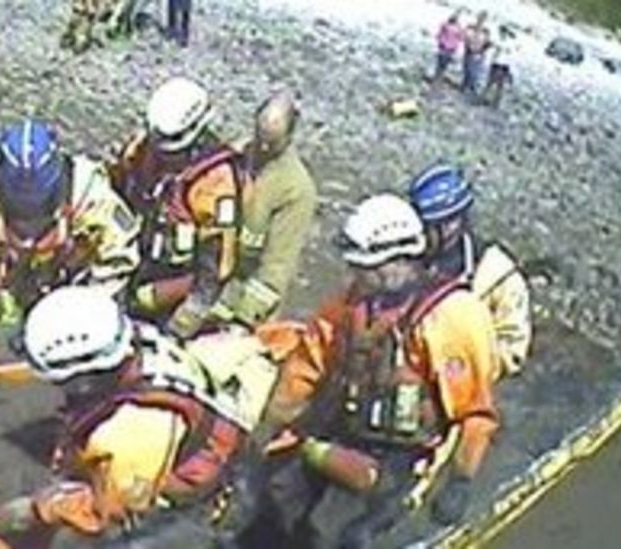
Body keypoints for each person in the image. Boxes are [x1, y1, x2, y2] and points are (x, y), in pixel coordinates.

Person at [246, 194, 499, 548]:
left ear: (399, 259)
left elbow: (475, 413)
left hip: (409, 459)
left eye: (366, 268)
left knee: (353, 538)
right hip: (349, 433)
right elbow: (305, 371)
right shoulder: (349, 308)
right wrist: (267, 432)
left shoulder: (452, 316)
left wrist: (460, 480)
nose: (356, 276)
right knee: (274, 503)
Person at [0, 285, 280, 545]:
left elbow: (108, 514)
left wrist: (44, 507)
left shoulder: (130, 434)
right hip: (208, 445)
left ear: (84, 379)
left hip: (204, 510)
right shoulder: (137, 343)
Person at [0, 119, 140, 360]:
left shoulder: (88, 192)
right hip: (8, 283)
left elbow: (118, 258)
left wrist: (86, 315)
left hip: (72, 284)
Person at [111, 76, 248, 340]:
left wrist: (186, 320)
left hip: (177, 283)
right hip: (133, 261)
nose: (161, 154)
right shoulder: (142, 150)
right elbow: (115, 187)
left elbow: (215, 269)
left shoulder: (216, 186)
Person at [408, 162, 532, 379]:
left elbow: (513, 349)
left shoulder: (497, 273)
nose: (420, 234)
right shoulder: (405, 259)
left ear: (451, 224)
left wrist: (463, 364)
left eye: (426, 227)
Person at [213, 91, 319, 329]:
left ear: (290, 137)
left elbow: (277, 267)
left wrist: (242, 322)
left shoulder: (295, 190)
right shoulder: (234, 156)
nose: (262, 147)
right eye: (259, 137)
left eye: (271, 143)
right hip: (213, 277)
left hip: (244, 295)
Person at [483, 26, 517, 108]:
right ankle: (495, 103)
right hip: (500, 65)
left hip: (500, 65)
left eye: (501, 32)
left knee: (492, 84)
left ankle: (489, 101)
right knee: (498, 86)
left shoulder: (506, 43)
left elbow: (505, 54)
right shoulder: (505, 42)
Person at [462, 12, 492, 100]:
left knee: (474, 72)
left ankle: (471, 89)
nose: (481, 21)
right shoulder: (471, 27)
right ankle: (465, 86)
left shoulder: (486, 31)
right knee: (467, 69)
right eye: (480, 18)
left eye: (483, 19)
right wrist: (468, 45)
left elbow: (488, 43)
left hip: (478, 54)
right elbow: (465, 37)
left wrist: (481, 50)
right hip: (469, 52)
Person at [431, 11, 464, 83]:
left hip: (446, 47)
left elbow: (439, 35)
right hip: (448, 48)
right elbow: (461, 38)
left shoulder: (446, 25)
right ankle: (438, 78)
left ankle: (437, 77)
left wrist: (439, 40)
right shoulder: (455, 27)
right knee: (443, 65)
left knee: (440, 64)